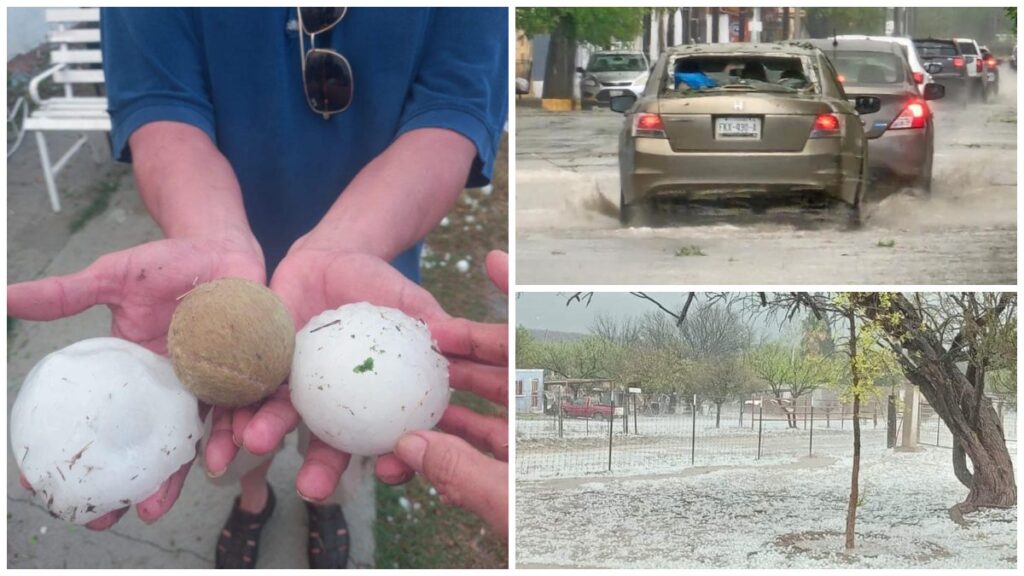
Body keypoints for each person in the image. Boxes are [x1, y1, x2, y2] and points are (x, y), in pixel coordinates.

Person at [8, 7, 507, 569]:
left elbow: (452, 111)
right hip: (211, 263)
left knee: (357, 419)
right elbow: (160, 105)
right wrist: (211, 236)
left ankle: (327, 506)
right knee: (240, 438)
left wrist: (343, 246)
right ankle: (253, 498)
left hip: (361, 293)